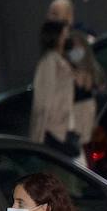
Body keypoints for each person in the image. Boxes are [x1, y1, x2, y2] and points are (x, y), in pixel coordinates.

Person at [47, 0, 105, 149]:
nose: (49, 18)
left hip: (80, 106)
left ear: (68, 16)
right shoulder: (59, 41)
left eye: (54, 13)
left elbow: (82, 68)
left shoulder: (77, 38)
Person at [29, 20, 77, 156]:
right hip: (54, 129)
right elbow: (43, 100)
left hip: (63, 127)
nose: (67, 38)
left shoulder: (60, 60)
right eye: (64, 34)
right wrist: (38, 136)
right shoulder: (49, 62)